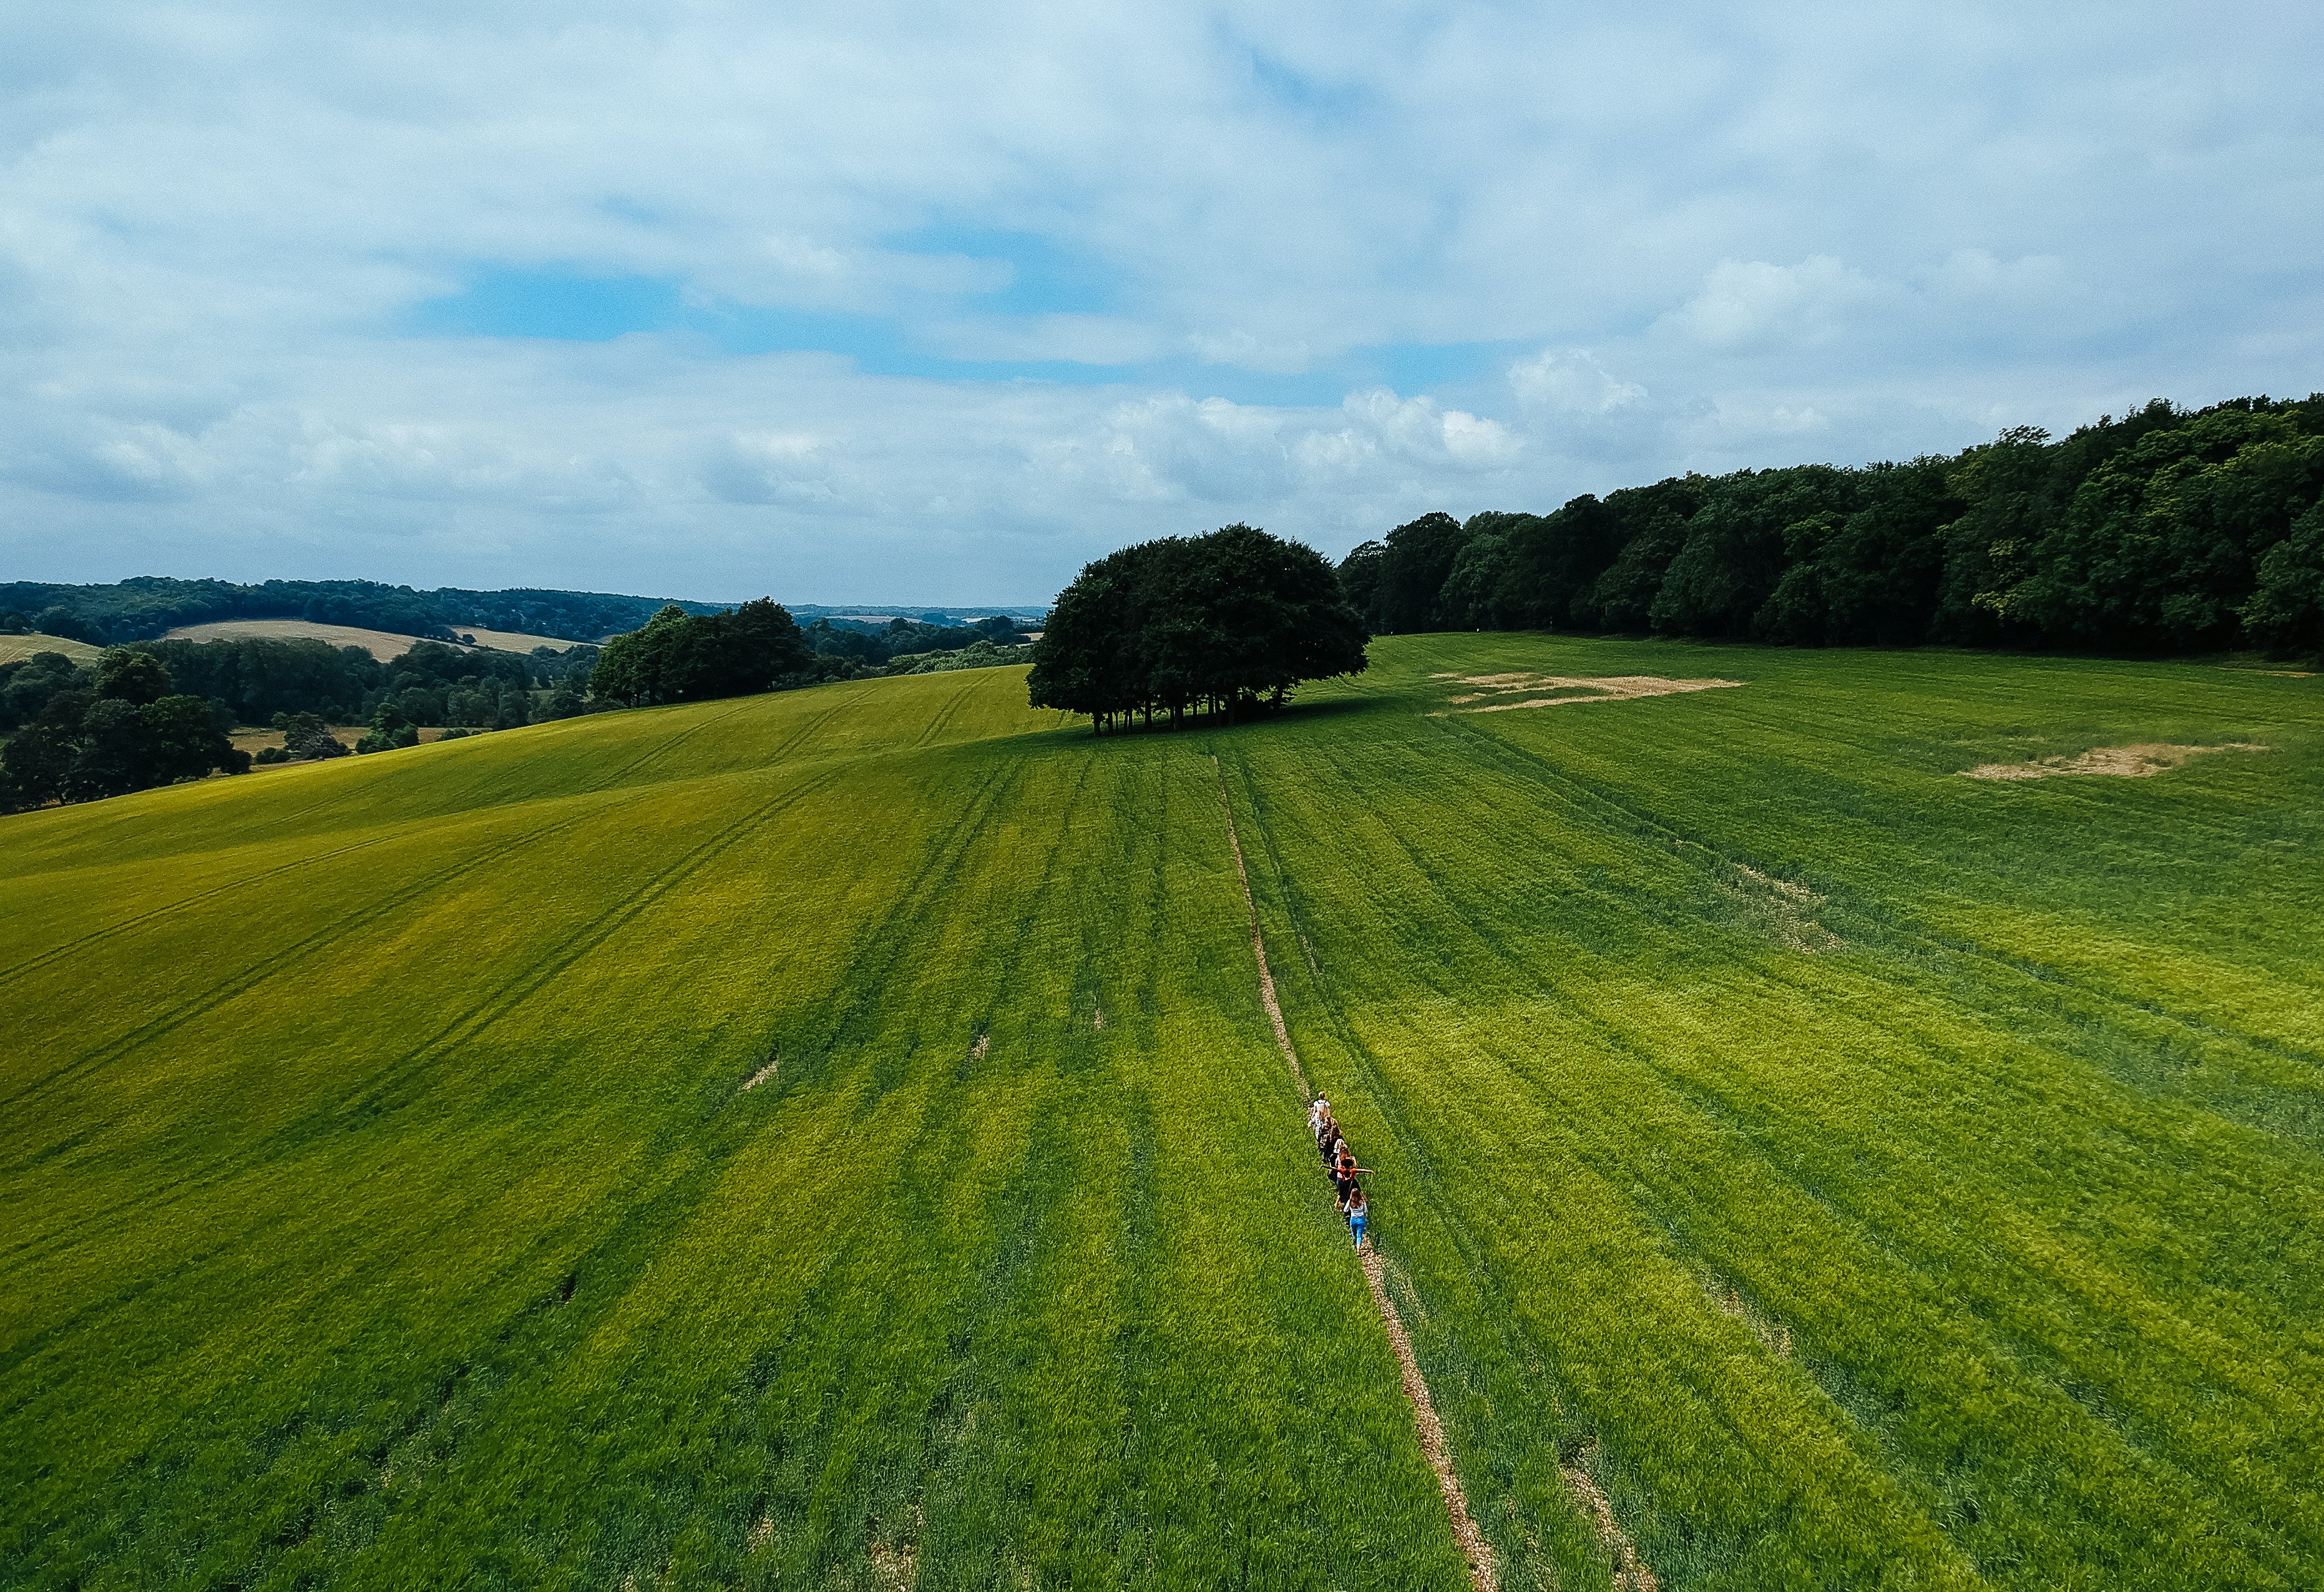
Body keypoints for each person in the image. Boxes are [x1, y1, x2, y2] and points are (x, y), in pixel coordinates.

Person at [1347, 1185, 1369, 1249]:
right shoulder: (1362, 1202)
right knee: (1359, 1235)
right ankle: (1359, 1248)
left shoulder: (1350, 1202)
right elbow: (1366, 1211)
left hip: (1353, 1219)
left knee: (1353, 1233)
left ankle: (1354, 1245)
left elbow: (1345, 1210)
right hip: (1361, 1219)